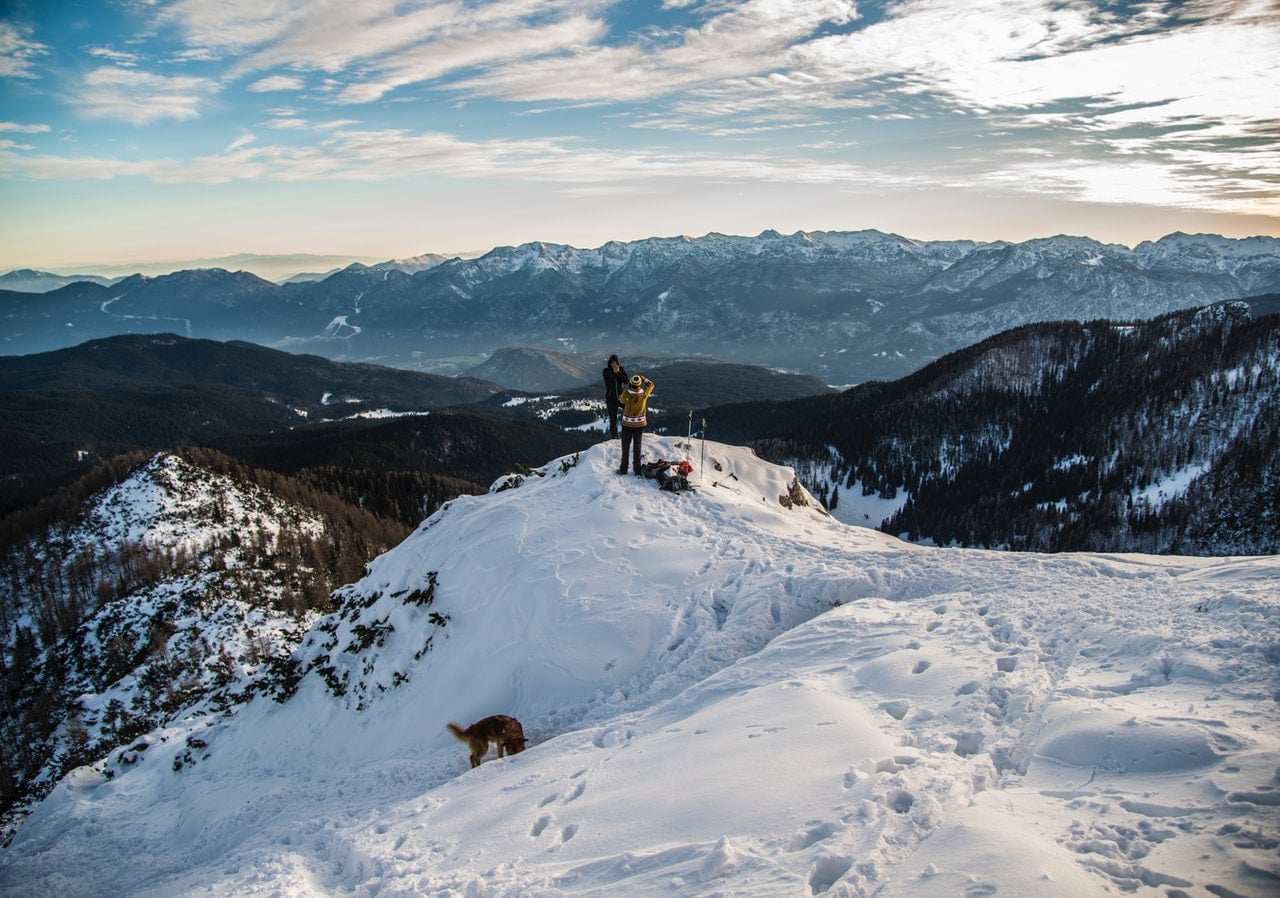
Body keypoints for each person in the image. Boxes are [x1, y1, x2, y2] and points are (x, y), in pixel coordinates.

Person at [617, 373, 654, 475]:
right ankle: (637, 470)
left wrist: (626, 390)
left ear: (631, 383)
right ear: (639, 384)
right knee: (637, 447)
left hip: (627, 424)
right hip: (640, 424)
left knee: (625, 447)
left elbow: (621, 399)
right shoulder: (644, 393)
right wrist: (644, 378)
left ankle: (623, 469)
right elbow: (651, 384)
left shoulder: (627, 393)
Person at [602, 354, 628, 439]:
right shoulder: (606, 371)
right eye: (612, 363)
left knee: (629, 412)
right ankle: (614, 436)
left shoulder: (621, 369)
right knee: (613, 418)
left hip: (621, 397)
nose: (613, 364)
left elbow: (626, 381)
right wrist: (614, 374)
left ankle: (630, 431)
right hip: (611, 398)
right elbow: (608, 384)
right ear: (609, 363)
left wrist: (618, 372)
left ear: (617, 363)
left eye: (615, 363)